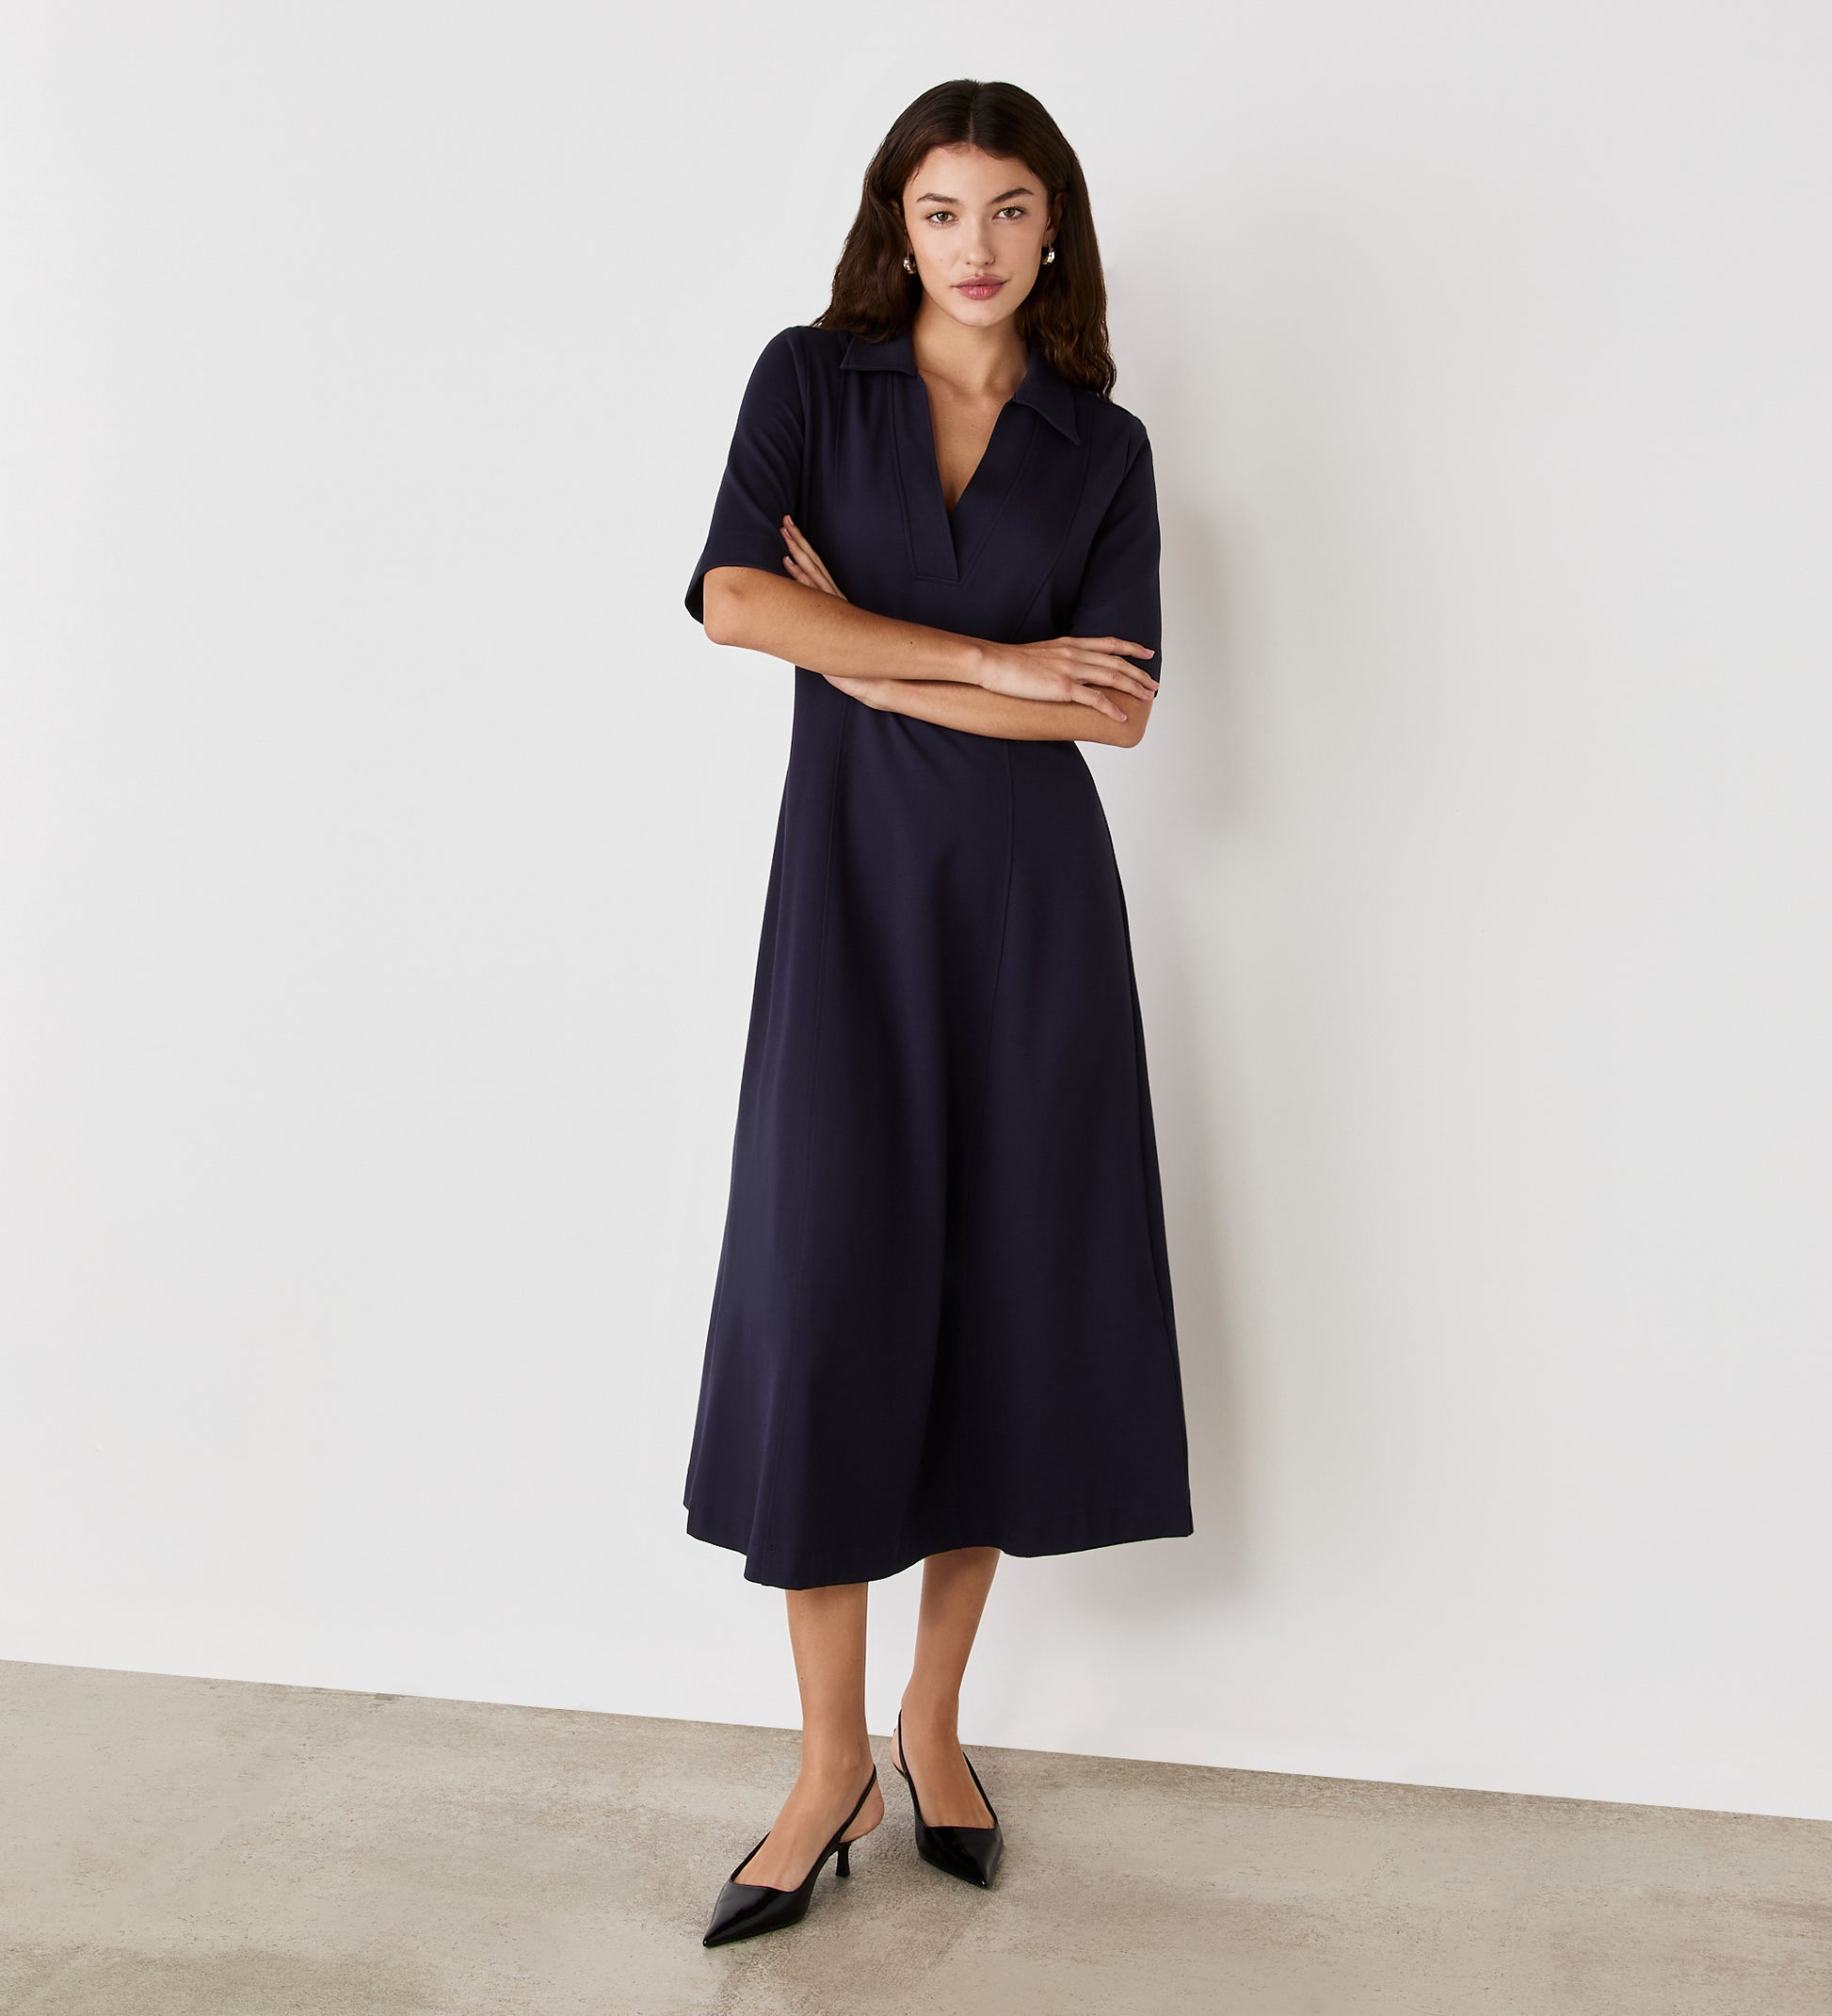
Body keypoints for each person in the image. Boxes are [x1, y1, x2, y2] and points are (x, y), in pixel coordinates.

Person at [682, 77, 1194, 1949]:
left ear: (1055, 230)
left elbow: (1113, 712)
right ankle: (826, 1764)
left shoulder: (1099, 443)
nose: (974, 245)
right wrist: (986, 664)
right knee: (829, 1304)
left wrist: (872, 658)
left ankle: (930, 1722)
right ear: (894, 227)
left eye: (1009, 209)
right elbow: (737, 603)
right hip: (850, 906)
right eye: (940, 209)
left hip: (1033, 919)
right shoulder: (809, 385)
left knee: (993, 1308)